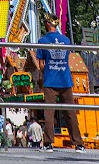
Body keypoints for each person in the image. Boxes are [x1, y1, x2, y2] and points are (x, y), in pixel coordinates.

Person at [34, 17, 85, 152]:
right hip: (65, 80)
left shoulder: (42, 41)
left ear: (46, 23)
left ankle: (48, 143)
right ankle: (78, 143)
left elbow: (41, 65)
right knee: (70, 113)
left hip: (50, 80)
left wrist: (48, 70)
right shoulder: (66, 40)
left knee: (49, 113)